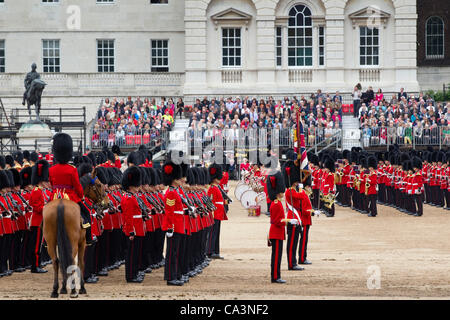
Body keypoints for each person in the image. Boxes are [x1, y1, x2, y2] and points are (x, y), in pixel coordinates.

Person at [48, 133, 96, 245]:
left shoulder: (51, 169)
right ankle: (88, 238)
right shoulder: (72, 169)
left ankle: (46, 241)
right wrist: (80, 195)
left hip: (54, 197)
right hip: (70, 197)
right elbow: (78, 187)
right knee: (86, 213)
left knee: (45, 218)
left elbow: (51, 184)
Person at [266, 171, 289, 284]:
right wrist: (288, 221)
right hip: (276, 232)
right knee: (276, 256)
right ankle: (275, 277)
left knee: (278, 256)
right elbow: (276, 221)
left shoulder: (277, 203)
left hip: (278, 232)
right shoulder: (276, 204)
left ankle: (276, 275)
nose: (283, 193)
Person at [207, 163, 226, 260]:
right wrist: (212, 212)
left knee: (216, 232)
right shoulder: (212, 188)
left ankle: (215, 251)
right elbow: (209, 201)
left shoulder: (217, 187)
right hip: (215, 213)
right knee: (212, 233)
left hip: (218, 212)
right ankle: (210, 251)